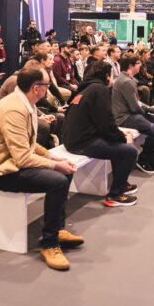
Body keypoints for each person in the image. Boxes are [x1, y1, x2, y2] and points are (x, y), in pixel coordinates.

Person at [0, 68, 83, 270]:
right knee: (58, 179)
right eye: (47, 85)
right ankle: (49, 243)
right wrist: (55, 164)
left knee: (64, 171)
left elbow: (29, 145)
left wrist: (53, 157)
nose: (49, 89)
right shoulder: (14, 109)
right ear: (36, 88)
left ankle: (57, 228)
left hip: (9, 162)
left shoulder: (25, 104)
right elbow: (23, 157)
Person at [61, 60, 138, 207]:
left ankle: (121, 185)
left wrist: (119, 137)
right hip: (82, 143)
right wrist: (123, 138)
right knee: (130, 151)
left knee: (118, 144)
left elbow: (101, 123)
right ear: (106, 75)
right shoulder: (99, 90)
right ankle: (115, 195)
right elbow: (106, 123)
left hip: (71, 140)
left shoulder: (85, 89)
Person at [112, 53, 154, 174]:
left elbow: (136, 103)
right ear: (130, 66)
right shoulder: (126, 81)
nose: (141, 65)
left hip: (132, 113)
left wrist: (152, 109)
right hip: (124, 117)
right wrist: (147, 111)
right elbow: (135, 107)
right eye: (138, 64)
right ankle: (143, 159)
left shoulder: (129, 79)